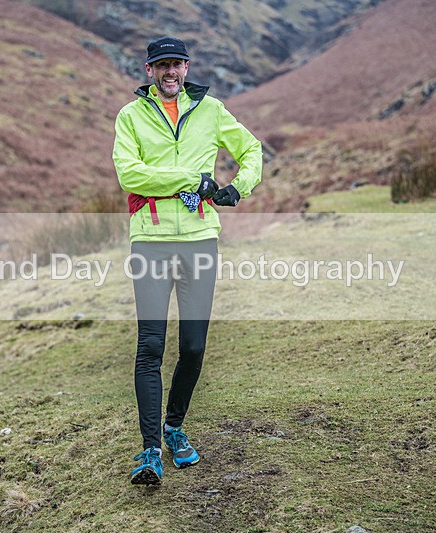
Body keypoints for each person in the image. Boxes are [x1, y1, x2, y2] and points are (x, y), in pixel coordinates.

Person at [112, 36, 262, 485]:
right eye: (162, 65)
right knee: (150, 347)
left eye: (176, 64)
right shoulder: (131, 116)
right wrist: (191, 179)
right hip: (151, 242)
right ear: (149, 71)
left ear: (186, 67)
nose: (170, 72)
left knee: (194, 347)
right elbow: (129, 174)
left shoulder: (211, 110)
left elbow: (251, 150)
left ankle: (174, 427)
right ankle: (150, 450)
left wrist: (238, 187)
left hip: (199, 240)